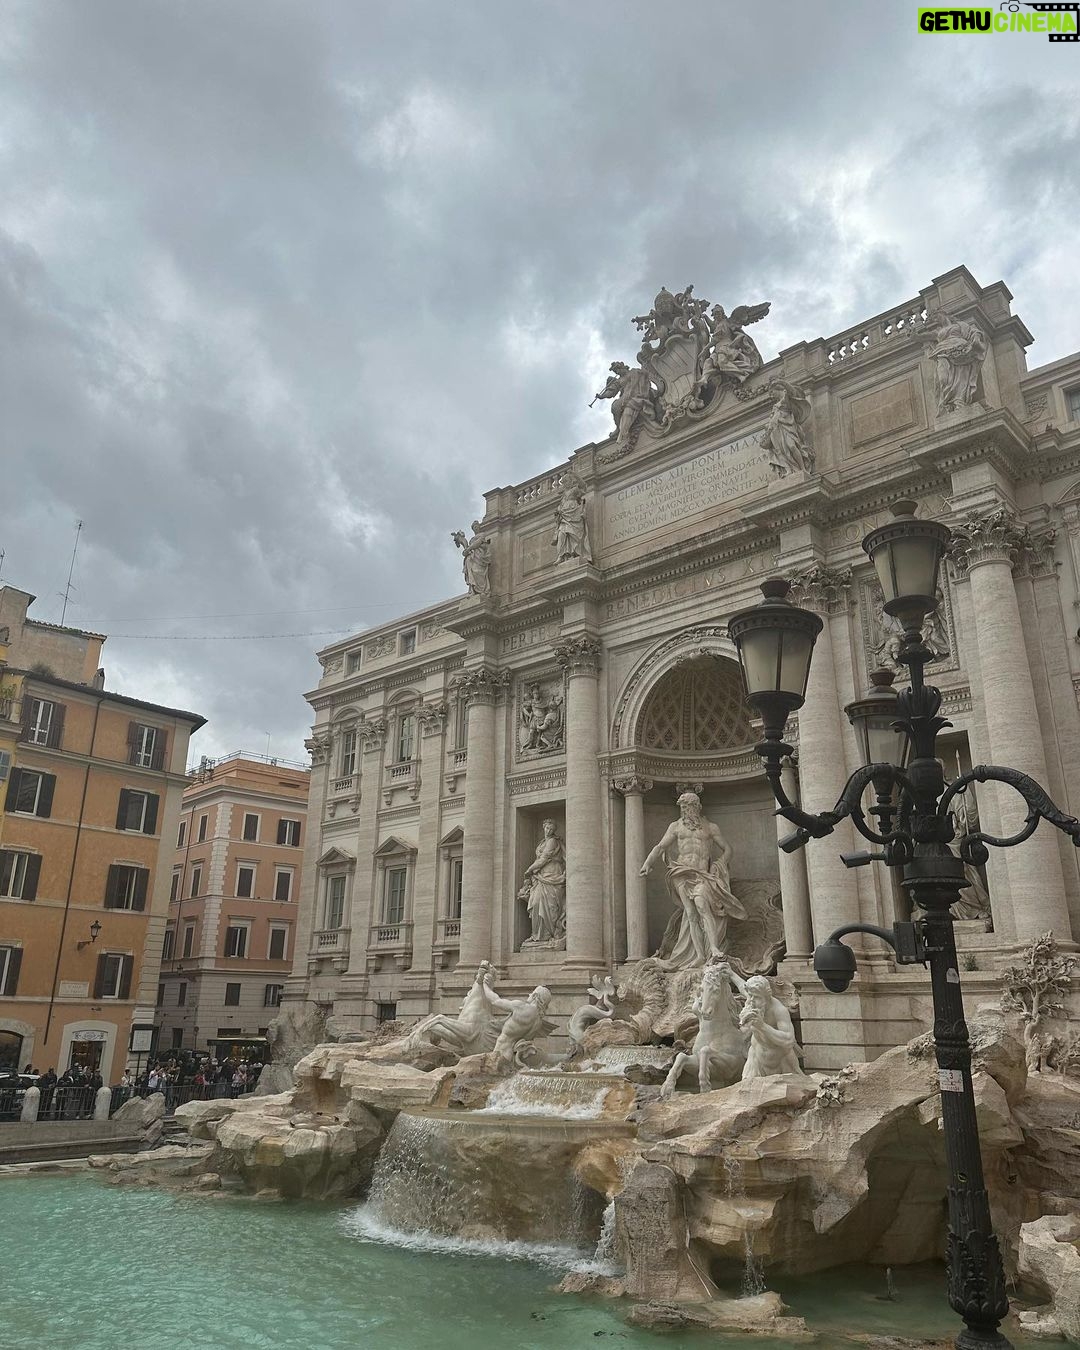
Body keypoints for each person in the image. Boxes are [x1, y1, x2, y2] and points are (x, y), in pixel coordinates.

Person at [640, 791, 747, 968]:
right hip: (681, 873)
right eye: (682, 807)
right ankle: (699, 955)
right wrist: (647, 863)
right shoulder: (675, 826)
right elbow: (660, 847)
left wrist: (719, 864)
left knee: (702, 906)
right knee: (691, 914)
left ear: (696, 807)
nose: (684, 810)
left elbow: (728, 849)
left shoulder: (710, 827)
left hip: (701, 874)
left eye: (687, 807)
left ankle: (713, 948)